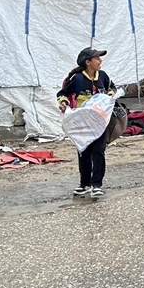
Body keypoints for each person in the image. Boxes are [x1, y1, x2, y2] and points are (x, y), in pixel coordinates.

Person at [57, 47, 117, 198]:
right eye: (97, 58)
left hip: (100, 122)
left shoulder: (103, 76)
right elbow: (62, 94)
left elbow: (112, 89)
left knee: (98, 151)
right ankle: (84, 184)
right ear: (88, 62)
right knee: (83, 152)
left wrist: (109, 97)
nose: (100, 61)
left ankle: (97, 184)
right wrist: (63, 103)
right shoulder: (77, 79)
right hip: (82, 123)